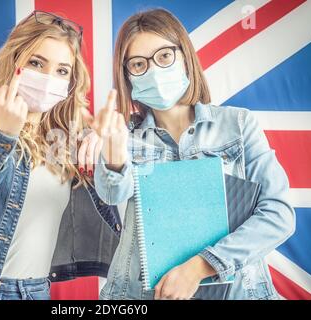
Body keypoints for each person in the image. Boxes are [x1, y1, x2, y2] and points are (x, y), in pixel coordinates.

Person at [80, 9, 295, 300]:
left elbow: (278, 214)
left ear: (185, 57)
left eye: (165, 56)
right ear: (128, 75)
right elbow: (111, 194)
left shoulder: (239, 125)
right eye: (139, 64)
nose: (154, 71)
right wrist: (115, 152)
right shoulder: (124, 137)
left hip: (238, 293)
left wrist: (199, 268)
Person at [0, 10, 121, 300]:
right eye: (36, 63)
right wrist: (3, 136)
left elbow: (123, 201)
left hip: (36, 291)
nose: (49, 79)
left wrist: (107, 147)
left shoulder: (68, 144)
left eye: (62, 70)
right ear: (14, 63)